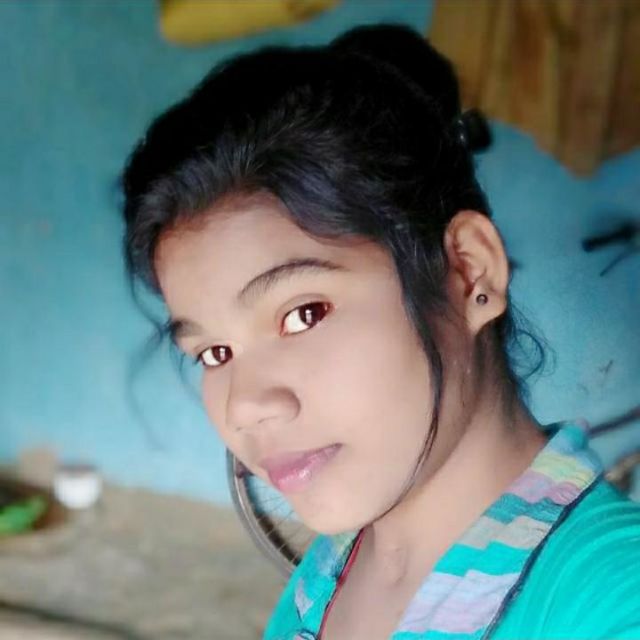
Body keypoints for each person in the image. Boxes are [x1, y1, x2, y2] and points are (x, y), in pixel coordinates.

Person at [120, 23, 640, 640]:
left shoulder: (614, 605)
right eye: (214, 352)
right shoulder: (329, 573)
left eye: (303, 314)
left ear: (469, 270)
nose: (245, 406)